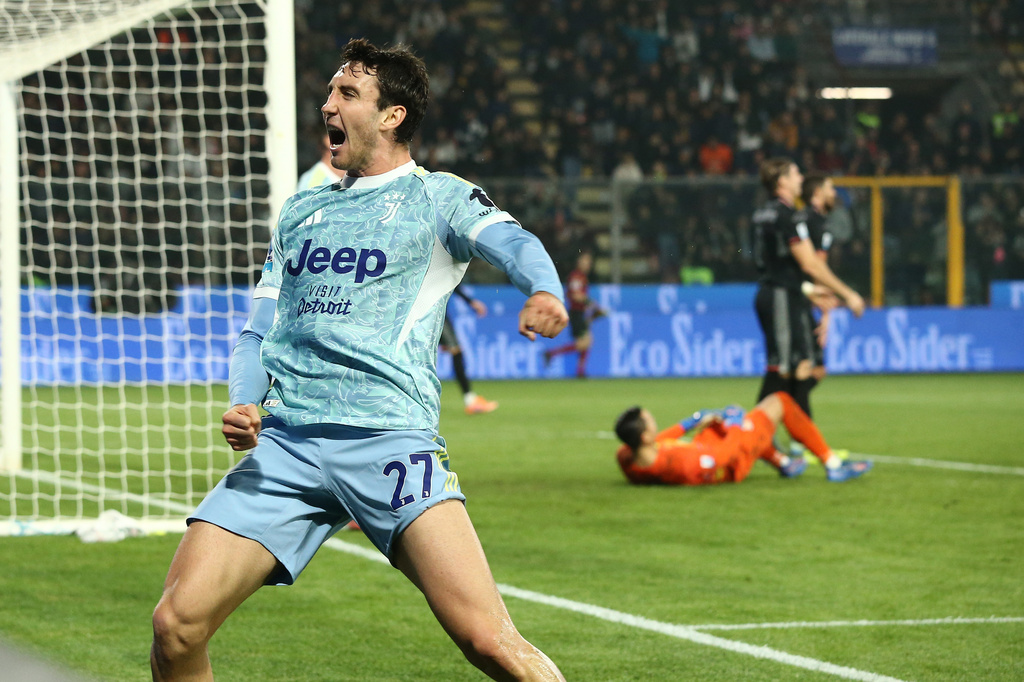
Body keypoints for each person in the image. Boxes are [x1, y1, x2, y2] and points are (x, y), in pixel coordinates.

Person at [151, 39, 568, 682]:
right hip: (288, 446)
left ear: (392, 115)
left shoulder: (439, 198)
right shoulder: (303, 210)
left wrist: (543, 288)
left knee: (489, 641)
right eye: (330, 92)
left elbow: (514, 241)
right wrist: (244, 400)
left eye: (347, 94)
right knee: (176, 626)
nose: (328, 104)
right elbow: (260, 330)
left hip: (389, 443)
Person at [299, 137, 496, 416]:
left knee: (445, 349)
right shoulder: (315, 182)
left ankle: (466, 398)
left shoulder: (363, 185)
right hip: (356, 288)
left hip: (407, 291)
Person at [750, 158, 864, 454]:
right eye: (795, 172)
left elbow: (775, 261)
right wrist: (848, 294)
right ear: (782, 181)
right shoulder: (789, 216)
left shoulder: (763, 213)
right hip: (781, 297)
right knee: (786, 370)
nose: (800, 177)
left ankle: (789, 440)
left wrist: (808, 291)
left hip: (777, 292)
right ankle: (757, 436)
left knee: (795, 369)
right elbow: (810, 263)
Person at [613, 392, 873, 486]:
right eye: (651, 422)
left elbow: (657, 442)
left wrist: (693, 421)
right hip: (733, 463)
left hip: (706, 448)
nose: (656, 425)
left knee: (715, 424)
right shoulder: (683, 462)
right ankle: (832, 465)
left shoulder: (627, 457)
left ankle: (782, 461)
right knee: (778, 402)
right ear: (645, 436)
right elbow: (725, 456)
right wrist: (736, 422)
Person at [543, 249, 605, 378]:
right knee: (583, 343)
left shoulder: (581, 276)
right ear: (579, 262)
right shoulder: (576, 276)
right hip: (576, 313)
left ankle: (580, 371)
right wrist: (592, 304)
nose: (588, 264)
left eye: (589, 262)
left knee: (586, 341)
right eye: (585, 261)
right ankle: (552, 354)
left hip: (581, 312)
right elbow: (576, 296)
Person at [441, 285, 499, 415]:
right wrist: (470, 301)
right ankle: (471, 401)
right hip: (433, 313)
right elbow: (452, 282)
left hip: (437, 313)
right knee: (456, 352)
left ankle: (470, 400)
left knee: (455, 352)